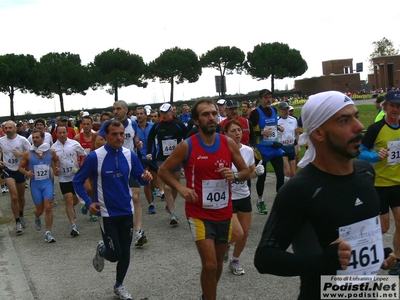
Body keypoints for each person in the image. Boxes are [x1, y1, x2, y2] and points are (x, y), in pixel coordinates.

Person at [254, 91, 396, 300]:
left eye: (355, 116)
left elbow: (352, 237)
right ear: (319, 133)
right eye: (344, 120)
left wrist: (375, 256)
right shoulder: (300, 189)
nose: (358, 126)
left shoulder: (365, 172)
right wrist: (321, 262)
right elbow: (265, 258)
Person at [158, 99, 250, 300]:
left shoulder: (228, 143)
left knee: (216, 264)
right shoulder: (187, 146)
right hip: (199, 213)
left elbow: (245, 171)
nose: (211, 118)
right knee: (209, 264)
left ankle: (206, 295)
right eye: (206, 114)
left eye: (214, 114)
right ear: (196, 121)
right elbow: (163, 170)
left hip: (224, 212)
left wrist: (234, 175)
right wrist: (180, 187)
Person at [73, 120, 152, 300]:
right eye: (114, 134)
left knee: (125, 252)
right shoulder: (95, 157)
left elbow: (142, 178)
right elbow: (77, 181)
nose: (119, 137)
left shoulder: (129, 154)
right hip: (106, 212)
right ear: (105, 136)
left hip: (126, 210)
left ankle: (119, 286)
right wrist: (87, 202)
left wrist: (147, 177)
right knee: (115, 254)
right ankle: (102, 250)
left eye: (121, 133)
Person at [358, 90, 400, 276]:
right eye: (392, 105)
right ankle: (367, 254)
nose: (395, 109)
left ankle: (397, 259)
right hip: (379, 185)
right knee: (383, 228)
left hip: (398, 183)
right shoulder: (376, 128)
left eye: (398, 106)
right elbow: (360, 151)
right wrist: (375, 156)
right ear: (386, 107)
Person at [95, 100, 147, 248]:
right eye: (114, 109)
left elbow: (135, 136)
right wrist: (112, 143)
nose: (115, 112)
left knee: (135, 196)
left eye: (118, 109)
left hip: (129, 165)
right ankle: (115, 227)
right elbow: (97, 142)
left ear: (126, 110)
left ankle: (138, 232)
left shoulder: (133, 123)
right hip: (112, 165)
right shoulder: (108, 125)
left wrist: (138, 143)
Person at [223, 119, 264, 276]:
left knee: (245, 233)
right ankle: (225, 245)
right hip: (228, 197)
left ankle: (235, 260)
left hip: (243, 196)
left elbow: (251, 173)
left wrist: (257, 172)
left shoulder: (248, 151)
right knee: (237, 232)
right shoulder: (222, 151)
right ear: (225, 134)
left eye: (239, 130)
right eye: (233, 131)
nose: (237, 133)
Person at [146, 103, 187, 226]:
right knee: (168, 186)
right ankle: (173, 213)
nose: (163, 115)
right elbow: (150, 138)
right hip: (162, 159)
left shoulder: (179, 124)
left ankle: (170, 206)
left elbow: (187, 138)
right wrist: (149, 151)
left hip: (176, 158)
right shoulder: (158, 126)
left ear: (171, 112)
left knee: (175, 185)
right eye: (161, 113)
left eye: (165, 112)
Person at [19, 129, 60, 243]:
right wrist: (27, 173)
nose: (35, 140)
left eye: (37, 137)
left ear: (43, 138)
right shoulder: (28, 153)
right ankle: (37, 217)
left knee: (48, 206)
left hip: (47, 183)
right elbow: (20, 168)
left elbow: (56, 160)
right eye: (33, 138)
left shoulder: (50, 151)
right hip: (35, 185)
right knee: (40, 209)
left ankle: (48, 233)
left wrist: (56, 168)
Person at [248, 89, 284, 214]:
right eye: (265, 97)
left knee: (280, 175)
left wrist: (278, 127)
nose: (268, 99)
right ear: (260, 99)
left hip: (274, 148)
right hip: (261, 149)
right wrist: (261, 132)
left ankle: (280, 202)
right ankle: (260, 200)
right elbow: (249, 131)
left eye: (270, 97)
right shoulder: (256, 113)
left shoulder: (274, 110)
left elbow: (273, 125)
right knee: (261, 177)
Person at [51, 125, 86, 236]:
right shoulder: (53, 147)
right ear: (56, 134)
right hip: (63, 177)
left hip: (75, 176)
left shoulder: (74, 144)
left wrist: (82, 165)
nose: (62, 135)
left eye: (64, 132)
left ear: (67, 133)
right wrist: (55, 168)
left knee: (75, 201)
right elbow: (52, 160)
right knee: (68, 200)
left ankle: (72, 209)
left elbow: (83, 154)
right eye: (59, 133)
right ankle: (73, 226)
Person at [0, 121, 31, 234]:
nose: (7, 130)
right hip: (8, 170)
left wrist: (21, 155)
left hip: (20, 170)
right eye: (5, 128)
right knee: (14, 197)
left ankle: (21, 213)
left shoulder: (22, 140)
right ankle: (17, 221)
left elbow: (31, 152)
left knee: (21, 197)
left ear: (15, 129)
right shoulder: (1, 140)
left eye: (9, 128)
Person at [74, 115, 98, 222]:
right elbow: (73, 152)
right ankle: (88, 204)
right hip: (84, 167)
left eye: (88, 124)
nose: (86, 126)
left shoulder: (96, 136)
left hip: (95, 166)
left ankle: (90, 206)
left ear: (92, 124)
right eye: (84, 124)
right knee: (88, 189)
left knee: (94, 189)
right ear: (81, 125)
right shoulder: (78, 138)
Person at [136, 106, 159, 216]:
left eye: (141, 113)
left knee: (154, 182)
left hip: (153, 156)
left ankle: (152, 191)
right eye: (138, 114)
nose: (139, 115)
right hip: (141, 157)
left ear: (146, 115)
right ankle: (151, 204)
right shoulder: (134, 128)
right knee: (146, 181)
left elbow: (158, 140)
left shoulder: (153, 126)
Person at [277, 101, 298, 182]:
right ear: (280, 110)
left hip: (291, 146)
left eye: (287, 109)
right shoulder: (277, 121)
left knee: (293, 173)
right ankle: (285, 188)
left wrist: (296, 145)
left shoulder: (293, 120)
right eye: (284, 110)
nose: (286, 111)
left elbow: (295, 133)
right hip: (282, 147)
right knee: (287, 171)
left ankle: (291, 189)